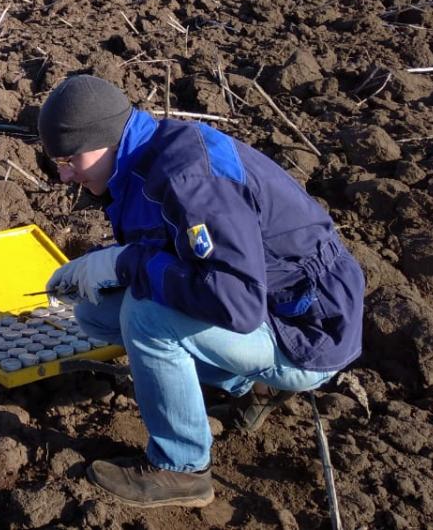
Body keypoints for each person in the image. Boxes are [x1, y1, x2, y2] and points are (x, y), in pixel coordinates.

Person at [40, 74, 364, 509]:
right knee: (97, 313)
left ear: (101, 139)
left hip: (307, 328)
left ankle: (182, 468)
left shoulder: (188, 178)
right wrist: (104, 265)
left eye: (68, 159)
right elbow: (176, 250)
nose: (63, 176)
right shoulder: (141, 159)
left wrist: (124, 263)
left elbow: (237, 302)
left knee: (146, 315)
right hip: (270, 305)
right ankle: (241, 384)